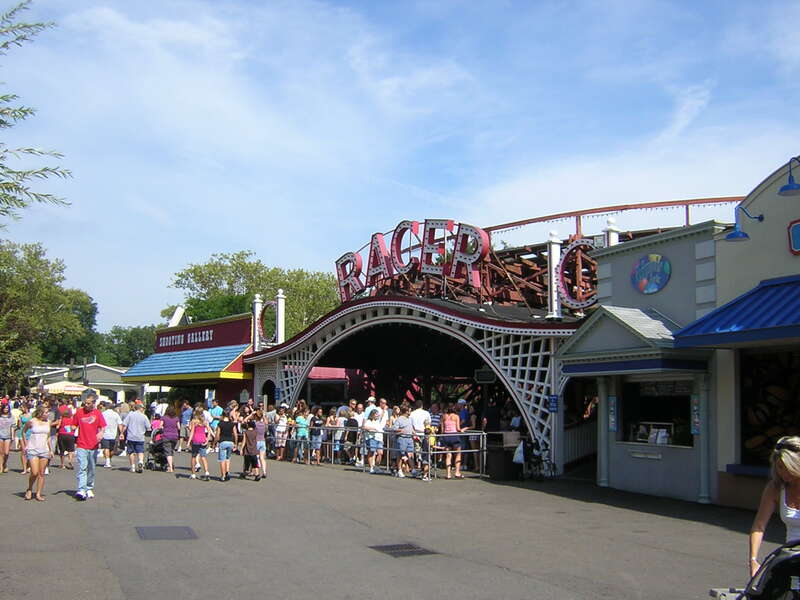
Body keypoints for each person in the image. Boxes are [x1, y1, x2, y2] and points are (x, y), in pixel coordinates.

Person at [749, 436, 800, 576]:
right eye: (779, 467)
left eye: (787, 468)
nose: (782, 473)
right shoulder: (775, 488)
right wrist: (753, 560)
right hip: (791, 557)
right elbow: (759, 527)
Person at [73, 393, 106, 501]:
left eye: (88, 403)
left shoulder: (97, 413)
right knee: (83, 467)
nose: (86, 405)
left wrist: (101, 433)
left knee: (91, 468)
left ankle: (89, 487)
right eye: (85, 403)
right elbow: (74, 425)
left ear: (93, 403)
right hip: (81, 444)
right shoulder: (79, 412)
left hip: (93, 445)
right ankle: (81, 489)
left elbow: (103, 426)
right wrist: (68, 427)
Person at [21, 406, 52, 502]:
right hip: (33, 449)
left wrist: (51, 450)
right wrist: (26, 445)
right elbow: (23, 432)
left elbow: (48, 437)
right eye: (46, 412)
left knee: (41, 473)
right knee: (34, 472)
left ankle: (38, 493)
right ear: (40, 413)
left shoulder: (48, 422)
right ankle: (29, 489)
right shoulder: (32, 421)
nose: (48, 414)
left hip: (44, 449)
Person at [122, 403, 150, 473]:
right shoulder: (144, 416)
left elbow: (125, 425)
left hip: (131, 436)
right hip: (140, 437)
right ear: (140, 408)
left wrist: (122, 433)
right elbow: (148, 427)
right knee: (140, 451)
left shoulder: (130, 415)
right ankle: (140, 461)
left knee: (131, 452)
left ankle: (133, 467)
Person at [188, 408, 213, 481]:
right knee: (203, 457)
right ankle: (207, 473)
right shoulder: (204, 421)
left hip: (196, 440)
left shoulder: (194, 421)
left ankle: (193, 474)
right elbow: (209, 431)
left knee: (193, 457)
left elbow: (192, 432)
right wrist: (207, 439)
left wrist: (189, 441)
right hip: (203, 439)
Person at [441, 403, 464, 479]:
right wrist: (463, 429)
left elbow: (442, 429)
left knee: (448, 455)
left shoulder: (443, 416)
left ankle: (448, 474)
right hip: (454, 435)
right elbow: (458, 428)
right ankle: (457, 472)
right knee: (458, 454)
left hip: (446, 436)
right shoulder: (456, 416)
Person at [215, 410, 238, 481]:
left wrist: (214, 443)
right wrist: (236, 444)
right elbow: (235, 434)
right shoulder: (232, 424)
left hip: (223, 442)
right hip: (230, 442)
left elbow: (217, 435)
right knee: (228, 458)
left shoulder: (220, 424)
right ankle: (227, 471)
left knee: (222, 459)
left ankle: (223, 475)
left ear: (222, 415)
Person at [391, 405, 414, 478]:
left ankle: (412, 469)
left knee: (410, 454)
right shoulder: (399, 419)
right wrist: (400, 430)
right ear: (406, 411)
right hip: (402, 438)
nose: (410, 412)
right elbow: (394, 428)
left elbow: (411, 428)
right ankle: (399, 470)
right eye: (410, 411)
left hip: (409, 438)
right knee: (400, 455)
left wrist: (415, 434)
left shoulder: (409, 419)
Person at [100, 402, 123, 469]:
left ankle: (107, 461)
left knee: (106, 448)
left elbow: (99, 423)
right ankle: (108, 460)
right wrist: (121, 433)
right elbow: (120, 424)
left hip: (105, 433)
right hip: (114, 434)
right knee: (112, 449)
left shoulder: (103, 414)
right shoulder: (115, 414)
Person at [160, 406, 180, 473]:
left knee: (168, 452)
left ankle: (170, 467)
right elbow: (179, 427)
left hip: (166, 436)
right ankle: (170, 463)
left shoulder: (164, 418)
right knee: (171, 450)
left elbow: (160, 426)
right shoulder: (176, 418)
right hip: (175, 436)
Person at [56, 405, 76, 469]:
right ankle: (70, 461)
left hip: (62, 434)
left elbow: (57, 427)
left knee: (62, 450)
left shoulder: (61, 419)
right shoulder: (72, 420)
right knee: (70, 450)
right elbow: (74, 427)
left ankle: (62, 464)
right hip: (70, 435)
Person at [0, 403, 14, 473]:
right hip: (0, 436)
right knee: (1, 452)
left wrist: (12, 436)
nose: (6, 409)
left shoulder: (11, 417)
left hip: (8, 436)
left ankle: (4, 463)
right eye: (5, 408)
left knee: (6, 452)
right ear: (2, 409)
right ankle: (1, 467)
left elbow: (12, 427)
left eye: (7, 408)